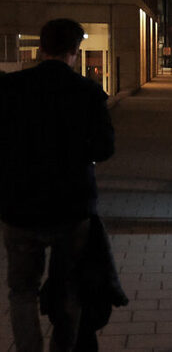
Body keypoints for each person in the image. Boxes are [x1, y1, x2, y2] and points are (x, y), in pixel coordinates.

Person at [0, 18, 115, 350]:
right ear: (74, 51)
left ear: (41, 47)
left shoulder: (10, 88)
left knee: (21, 290)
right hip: (70, 207)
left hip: (18, 206)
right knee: (69, 289)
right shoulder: (88, 92)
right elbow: (105, 148)